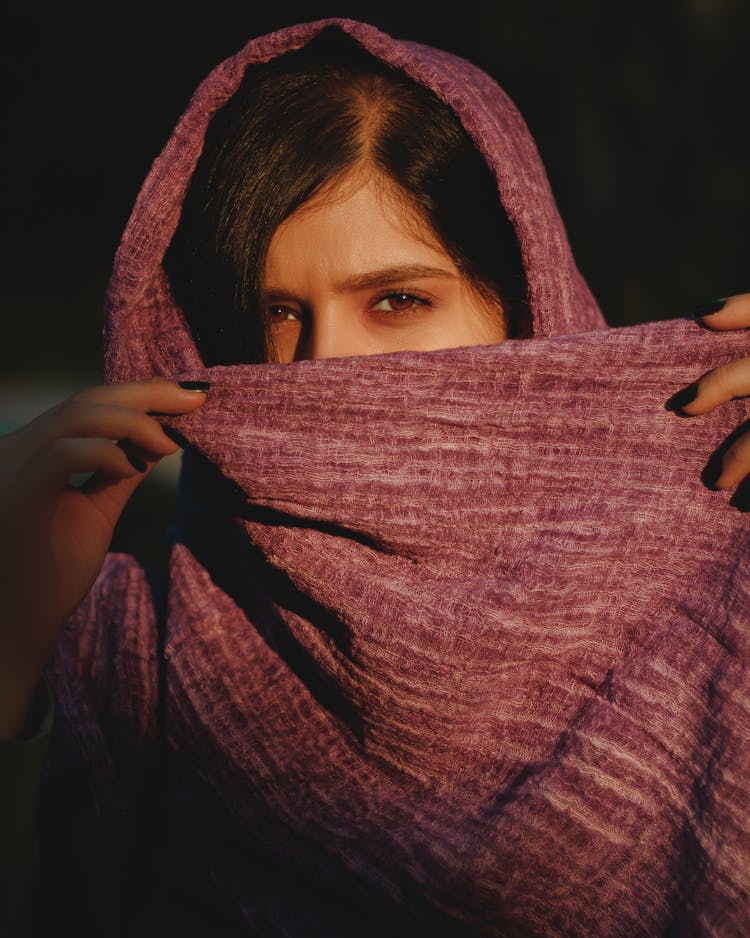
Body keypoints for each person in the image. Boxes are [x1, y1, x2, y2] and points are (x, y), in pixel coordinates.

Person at [2, 18, 749, 937]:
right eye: (276, 314)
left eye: (397, 300)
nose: (327, 367)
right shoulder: (145, 644)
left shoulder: (721, 568)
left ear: (528, 301)